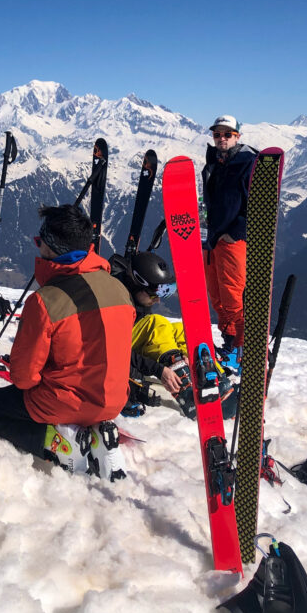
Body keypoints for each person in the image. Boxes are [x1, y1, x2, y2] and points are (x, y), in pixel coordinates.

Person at [0, 203, 135, 481]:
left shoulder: (44, 301)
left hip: (64, 404)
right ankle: (96, 433)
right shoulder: (120, 290)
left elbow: (24, 378)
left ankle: (62, 441)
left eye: (40, 241)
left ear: (51, 248)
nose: (38, 247)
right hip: (113, 401)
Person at [110, 251, 237, 419]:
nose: (158, 300)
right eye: (155, 294)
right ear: (138, 283)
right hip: (118, 346)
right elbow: (113, 350)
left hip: (133, 339)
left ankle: (215, 379)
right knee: (156, 324)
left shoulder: (136, 294)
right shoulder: (117, 302)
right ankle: (185, 390)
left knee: (182, 330)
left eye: (164, 292)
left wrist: (185, 354)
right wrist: (160, 370)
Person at [202, 115, 258, 354]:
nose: (221, 138)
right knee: (216, 296)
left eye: (227, 134)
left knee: (233, 295)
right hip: (212, 238)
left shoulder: (249, 163)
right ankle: (230, 341)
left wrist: (235, 233)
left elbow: (259, 205)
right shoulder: (214, 162)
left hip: (233, 239)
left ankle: (245, 349)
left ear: (237, 136)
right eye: (217, 134)